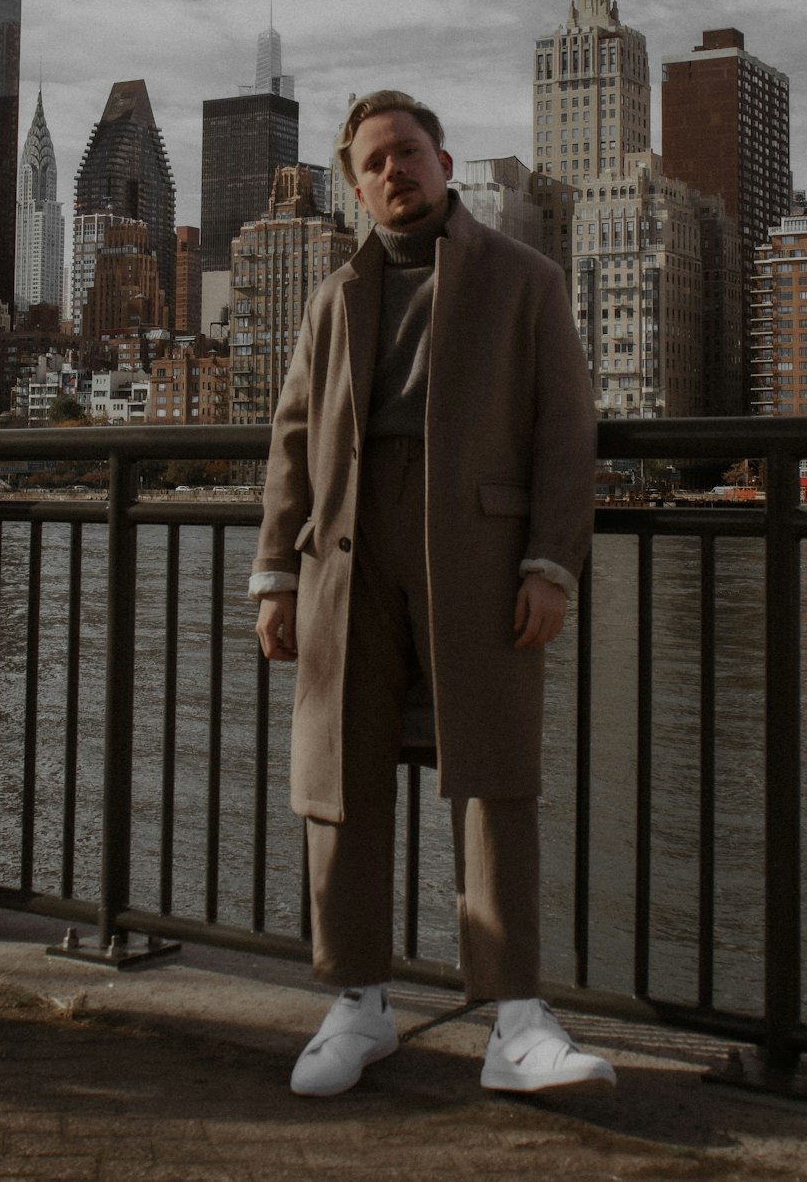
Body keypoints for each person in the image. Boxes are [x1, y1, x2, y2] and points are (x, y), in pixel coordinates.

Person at [250, 90, 613, 1099]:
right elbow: (290, 441)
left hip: (479, 551)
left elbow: (566, 434)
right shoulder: (333, 296)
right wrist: (275, 574)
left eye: (406, 152)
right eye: (371, 162)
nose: (392, 171)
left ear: (444, 161)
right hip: (345, 554)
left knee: (493, 773)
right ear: (356, 184)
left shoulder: (524, 278)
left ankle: (515, 1018)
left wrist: (550, 562)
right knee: (340, 774)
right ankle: (356, 1002)